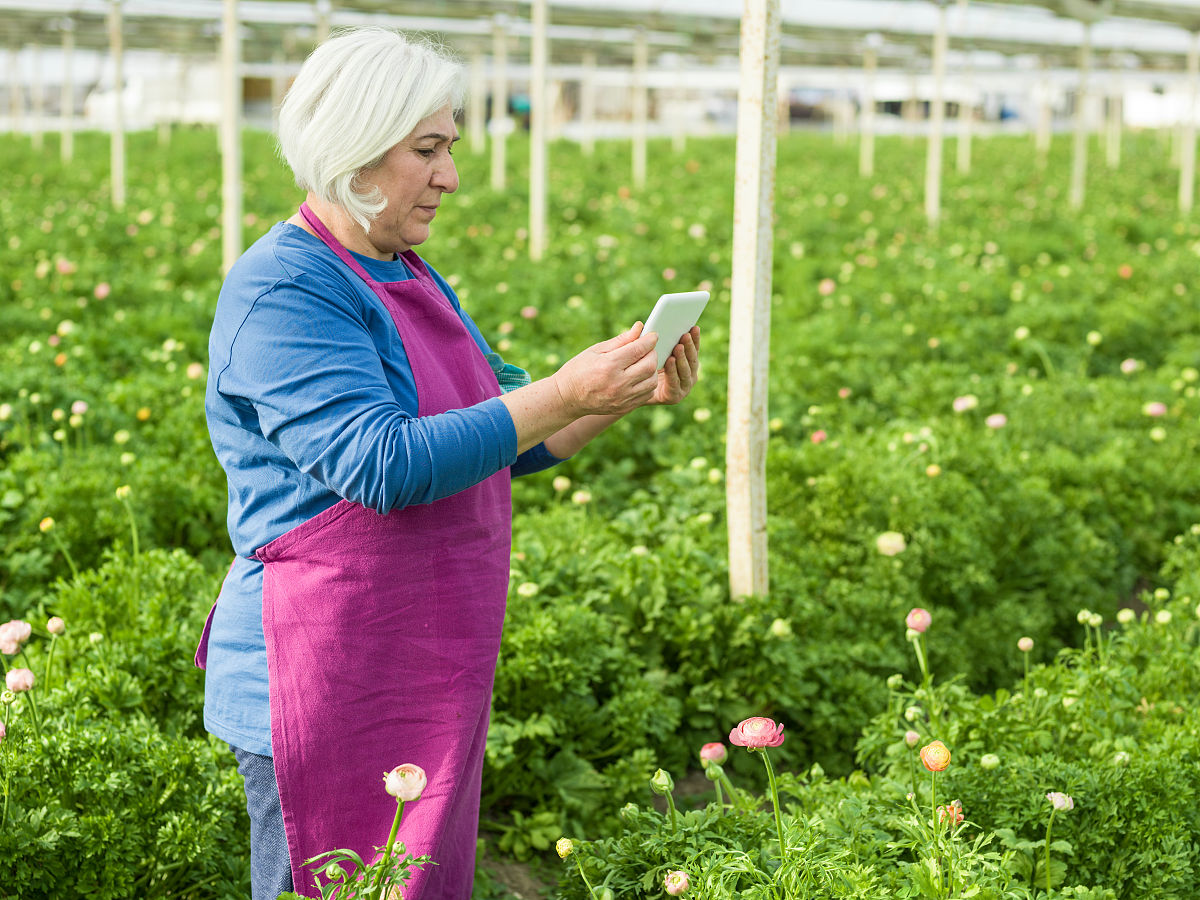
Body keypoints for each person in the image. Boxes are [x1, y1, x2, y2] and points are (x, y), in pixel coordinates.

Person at [193, 26, 701, 900]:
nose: (450, 176)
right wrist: (563, 391)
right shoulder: (285, 288)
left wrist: (608, 398)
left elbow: (508, 439)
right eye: (427, 150)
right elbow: (382, 464)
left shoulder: (409, 272)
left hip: (420, 663)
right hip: (322, 675)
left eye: (449, 148)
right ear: (355, 147)